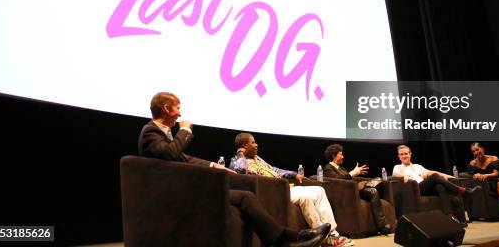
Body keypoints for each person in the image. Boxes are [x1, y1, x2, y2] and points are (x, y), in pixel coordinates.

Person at [138, 92, 330, 247]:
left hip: (184, 189)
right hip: (172, 194)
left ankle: (287, 238)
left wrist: (213, 165)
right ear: (166, 109)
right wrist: (185, 130)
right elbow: (172, 153)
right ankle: (286, 239)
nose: (180, 114)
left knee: (245, 196)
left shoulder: (162, 134)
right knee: (244, 196)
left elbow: (183, 157)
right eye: (177, 108)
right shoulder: (150, 132)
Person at [232, 133, 352, 247]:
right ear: (244, 146)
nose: (256, 145)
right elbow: (241, 170)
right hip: (271, 192)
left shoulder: (258, 159)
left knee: (319, 190)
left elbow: (275, 170)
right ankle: (326, 238)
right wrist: (241, 153)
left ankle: (331, 233)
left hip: (284, 188)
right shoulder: (237, 161)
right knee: (304, 198)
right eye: (253, 142)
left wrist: (293, 174)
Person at [392, 144, 480, 225]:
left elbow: (431, 172)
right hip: (414, 189)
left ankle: (450, 217)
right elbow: (395, 175)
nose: (404, 156)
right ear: (398, 156)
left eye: (406, 153)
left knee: (440, 187)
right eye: (401, 154)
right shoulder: (398, 167)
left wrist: (449, 177)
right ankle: (462, 190)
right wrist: (404, 176)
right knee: (434, 176)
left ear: (410, 154)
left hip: (424, 188)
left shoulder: (417, 166)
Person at [322, 144, 392, 235]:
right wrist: (352, 173)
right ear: (334, 156)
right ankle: (382, 226)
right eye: (341, 154)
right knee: (373, 192)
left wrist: (360, 180)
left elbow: (348, 178)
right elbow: (338, 181)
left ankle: (381, 226)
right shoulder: (328, 168)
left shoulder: (341, 168)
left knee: (374, 188)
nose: (343, 157)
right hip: (344, 194)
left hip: (354, 191)